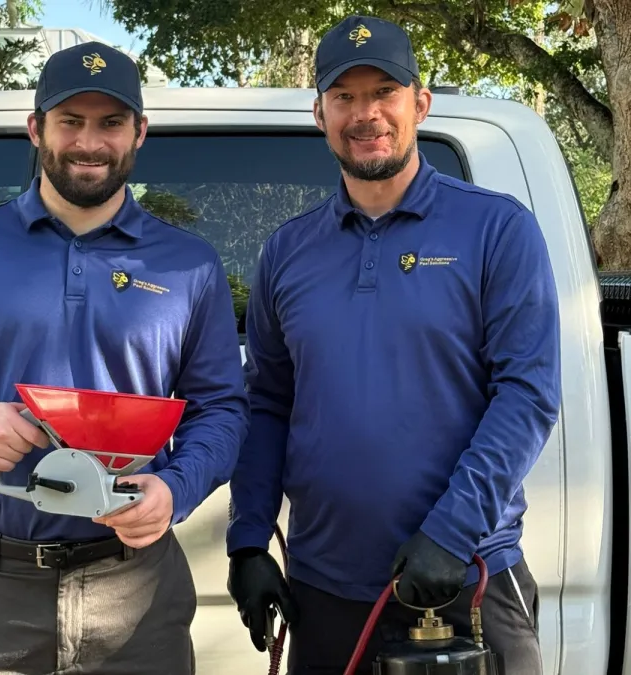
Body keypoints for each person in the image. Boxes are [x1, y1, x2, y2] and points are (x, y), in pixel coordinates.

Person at [0, 41, 249, 675]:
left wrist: (175, 490)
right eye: (71, 121)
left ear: (139, 133)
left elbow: (223, 411)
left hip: (136, 590)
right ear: (37, 128)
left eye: (111, 123)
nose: (89, 142)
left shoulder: (189, 264)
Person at [225, 14, 561, 675]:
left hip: (465, 581)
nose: (366, 113)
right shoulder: (288, 252)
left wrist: (452, 530)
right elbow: (266, 403)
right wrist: (248, 541)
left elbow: (527, 394)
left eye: (384, 91)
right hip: (323, 592)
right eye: (344, 96)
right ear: (319, 113)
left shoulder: (497, 229)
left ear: (420, 103)